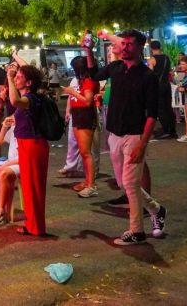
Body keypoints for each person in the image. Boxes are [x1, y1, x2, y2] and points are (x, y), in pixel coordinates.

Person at [88, 30, 167, 245]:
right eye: (123, 44)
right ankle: (157, 210)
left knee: (131, 184)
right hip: (115, 133)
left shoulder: (147, 76)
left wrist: (143, 144)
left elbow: (152, 114)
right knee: (125, 183)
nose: (124, 48)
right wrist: (88, 50)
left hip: (135, 134)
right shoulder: (116, 68)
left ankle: (136, 231)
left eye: (130, 44)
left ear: (140, 47)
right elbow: (93, 74)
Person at [6, 63, 50, 236]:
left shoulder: (30, 98)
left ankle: (36, 227)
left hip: (33, 145)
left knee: (34, 188)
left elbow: (15, 101)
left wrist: (9, 78)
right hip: (27, 145)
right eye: (15, 76)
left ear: (29, 82)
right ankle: (32, 224)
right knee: (29, 187)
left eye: (19, 77)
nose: (16, 78)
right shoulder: (29, 98)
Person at [61, 56, 99, 198]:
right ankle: (88, 180)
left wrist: (73, 92)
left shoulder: (88, 80)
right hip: (78, 115)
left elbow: (88, 101)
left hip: (85, 116)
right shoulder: (83, 80)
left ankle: (92, 185)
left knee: (86, 152)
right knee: (83, 152)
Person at [147, 41, 177, 139]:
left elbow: (150, 75)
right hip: (166, 85)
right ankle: (172, 130)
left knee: (160, 109)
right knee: (168, 107)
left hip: (157, 86)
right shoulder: (166, 58)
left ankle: (166, 130)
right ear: (160, 47)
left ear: (151, 48)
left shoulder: (152, 60)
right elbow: (170, 72)